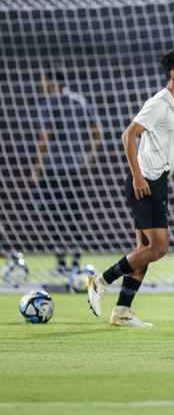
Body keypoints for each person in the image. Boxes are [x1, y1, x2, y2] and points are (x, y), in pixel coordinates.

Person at [87, 50, 174, 327]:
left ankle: (122, 310)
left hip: (156, 182)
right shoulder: (159, 102)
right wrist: (137, 177)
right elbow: (129, 135)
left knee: (143, 250)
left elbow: (171, 151)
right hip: (144, 183)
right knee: (159, 247)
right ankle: (101, 281)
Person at [32, 68, 102, 269]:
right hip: (76, 169)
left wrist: (37, 167)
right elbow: (98, 132)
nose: (40, 85)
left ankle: (61, 262)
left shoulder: (48, 104)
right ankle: (77, 259)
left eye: (43, 80)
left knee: (54, 214)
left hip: (53, 168)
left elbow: (45, 137)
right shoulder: (80, 101)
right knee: (74, 214)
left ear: (52, 82)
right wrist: (86, 158)